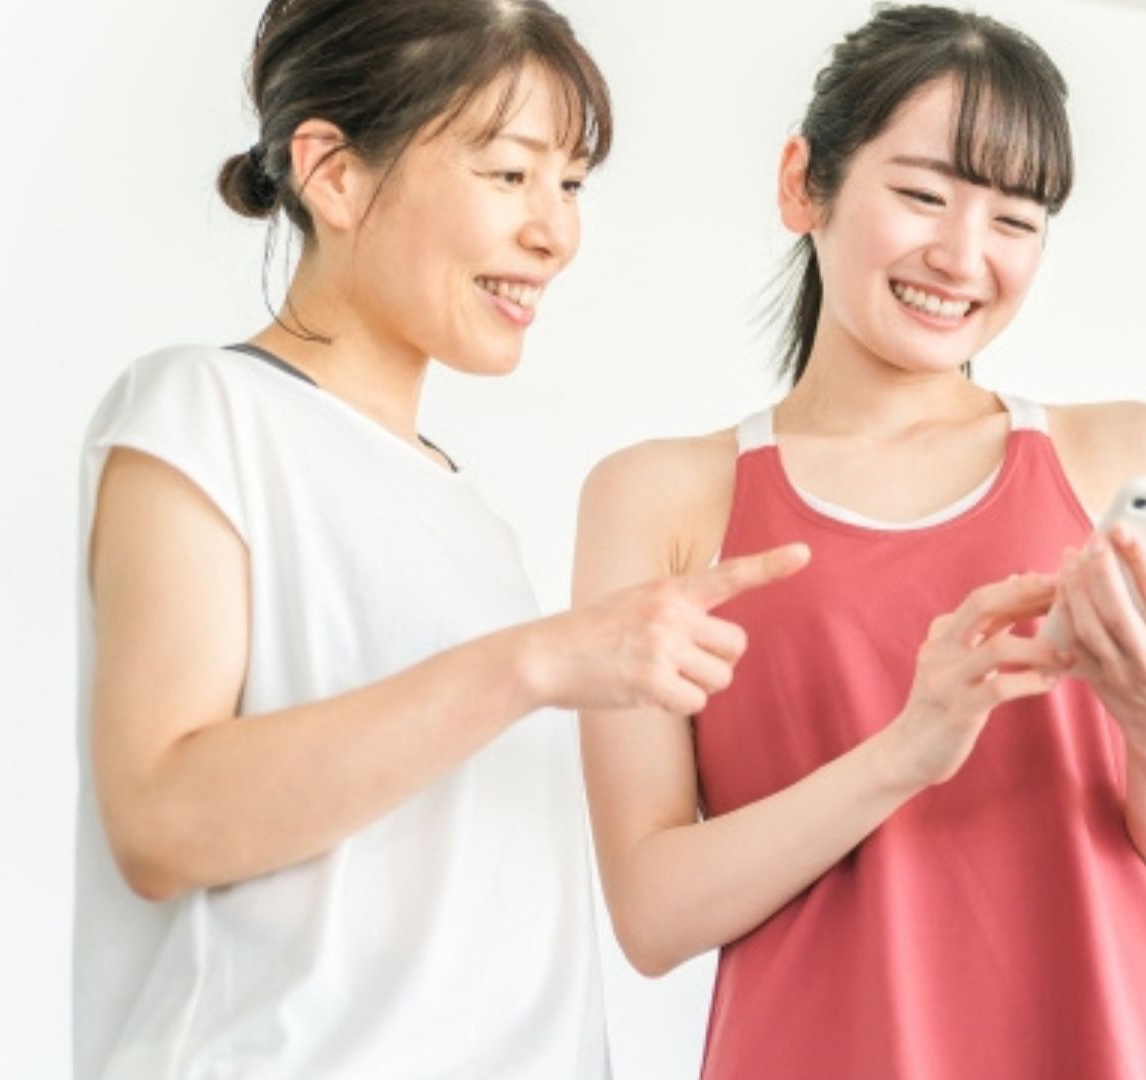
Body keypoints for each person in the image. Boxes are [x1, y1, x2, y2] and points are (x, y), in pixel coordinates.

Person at [74, 1, 803, 1075]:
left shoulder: (473, 521)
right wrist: (541, 659)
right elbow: (163, 820)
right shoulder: (201, 410)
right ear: (333, 173)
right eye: (509, 174)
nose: (554, 230)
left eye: (570, 184)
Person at [572, 6, 1146, 1078]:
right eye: (923, 194)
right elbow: (653, 915)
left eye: (1016, 220)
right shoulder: (659, 498)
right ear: (804, 183)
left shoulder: (1127, 455)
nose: (963, 256)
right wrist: (906, 752)